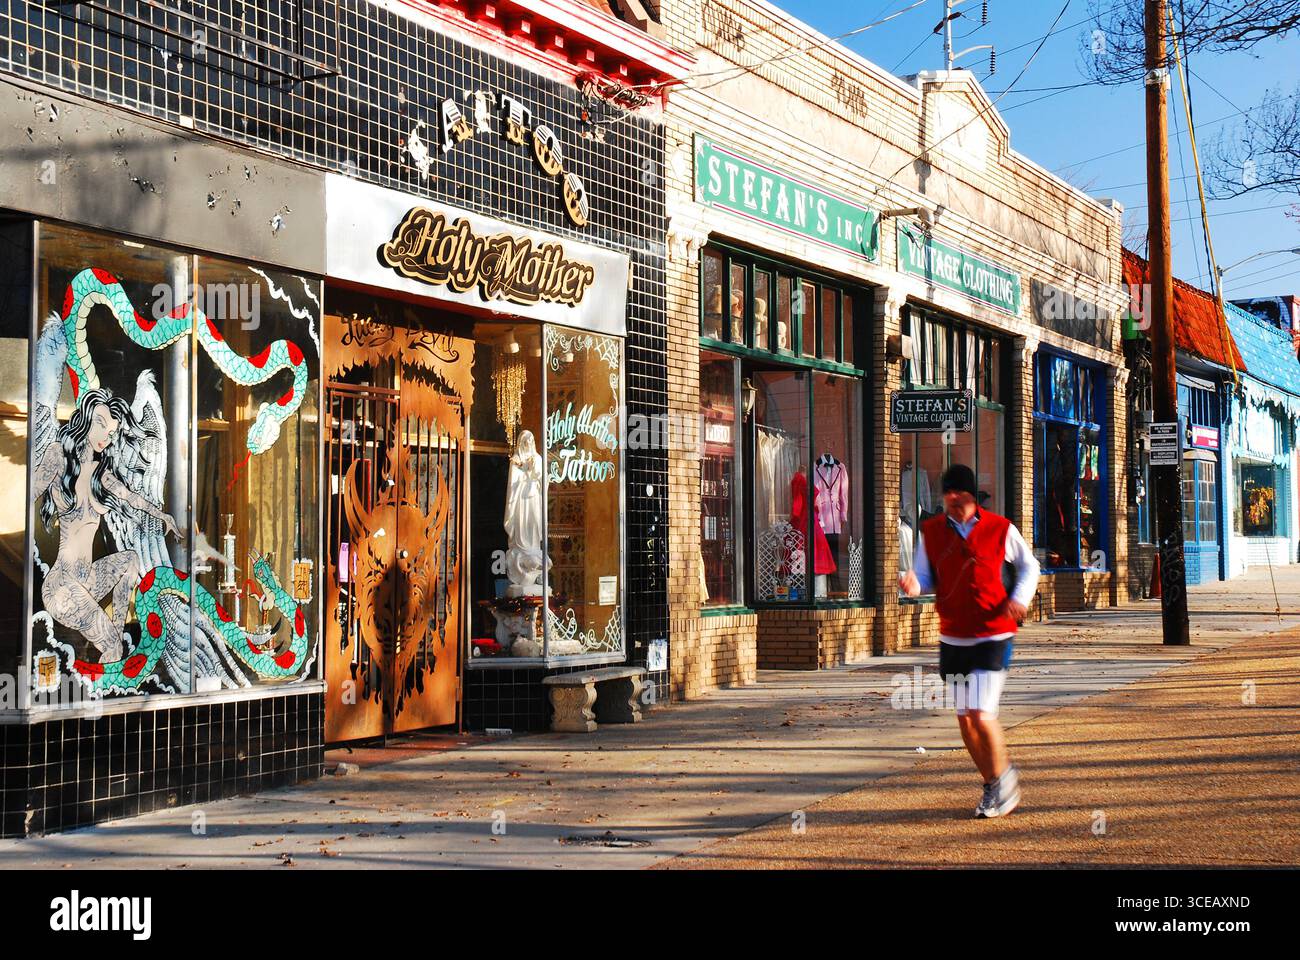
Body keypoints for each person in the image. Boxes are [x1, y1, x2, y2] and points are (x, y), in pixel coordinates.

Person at [899, 463, 1039, 818]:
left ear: (972, 497)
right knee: (964, 718)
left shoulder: (1000, 528)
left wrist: (1020, 599)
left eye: (959, 498)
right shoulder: (930, 531)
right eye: (948, 498)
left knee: (980, 711)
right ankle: (995, 781)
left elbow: (1030, 566)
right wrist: (916, 584)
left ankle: (1003, 781)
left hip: (994, 631)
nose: (953, 505)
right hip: (953, 635)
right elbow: (927, 576)